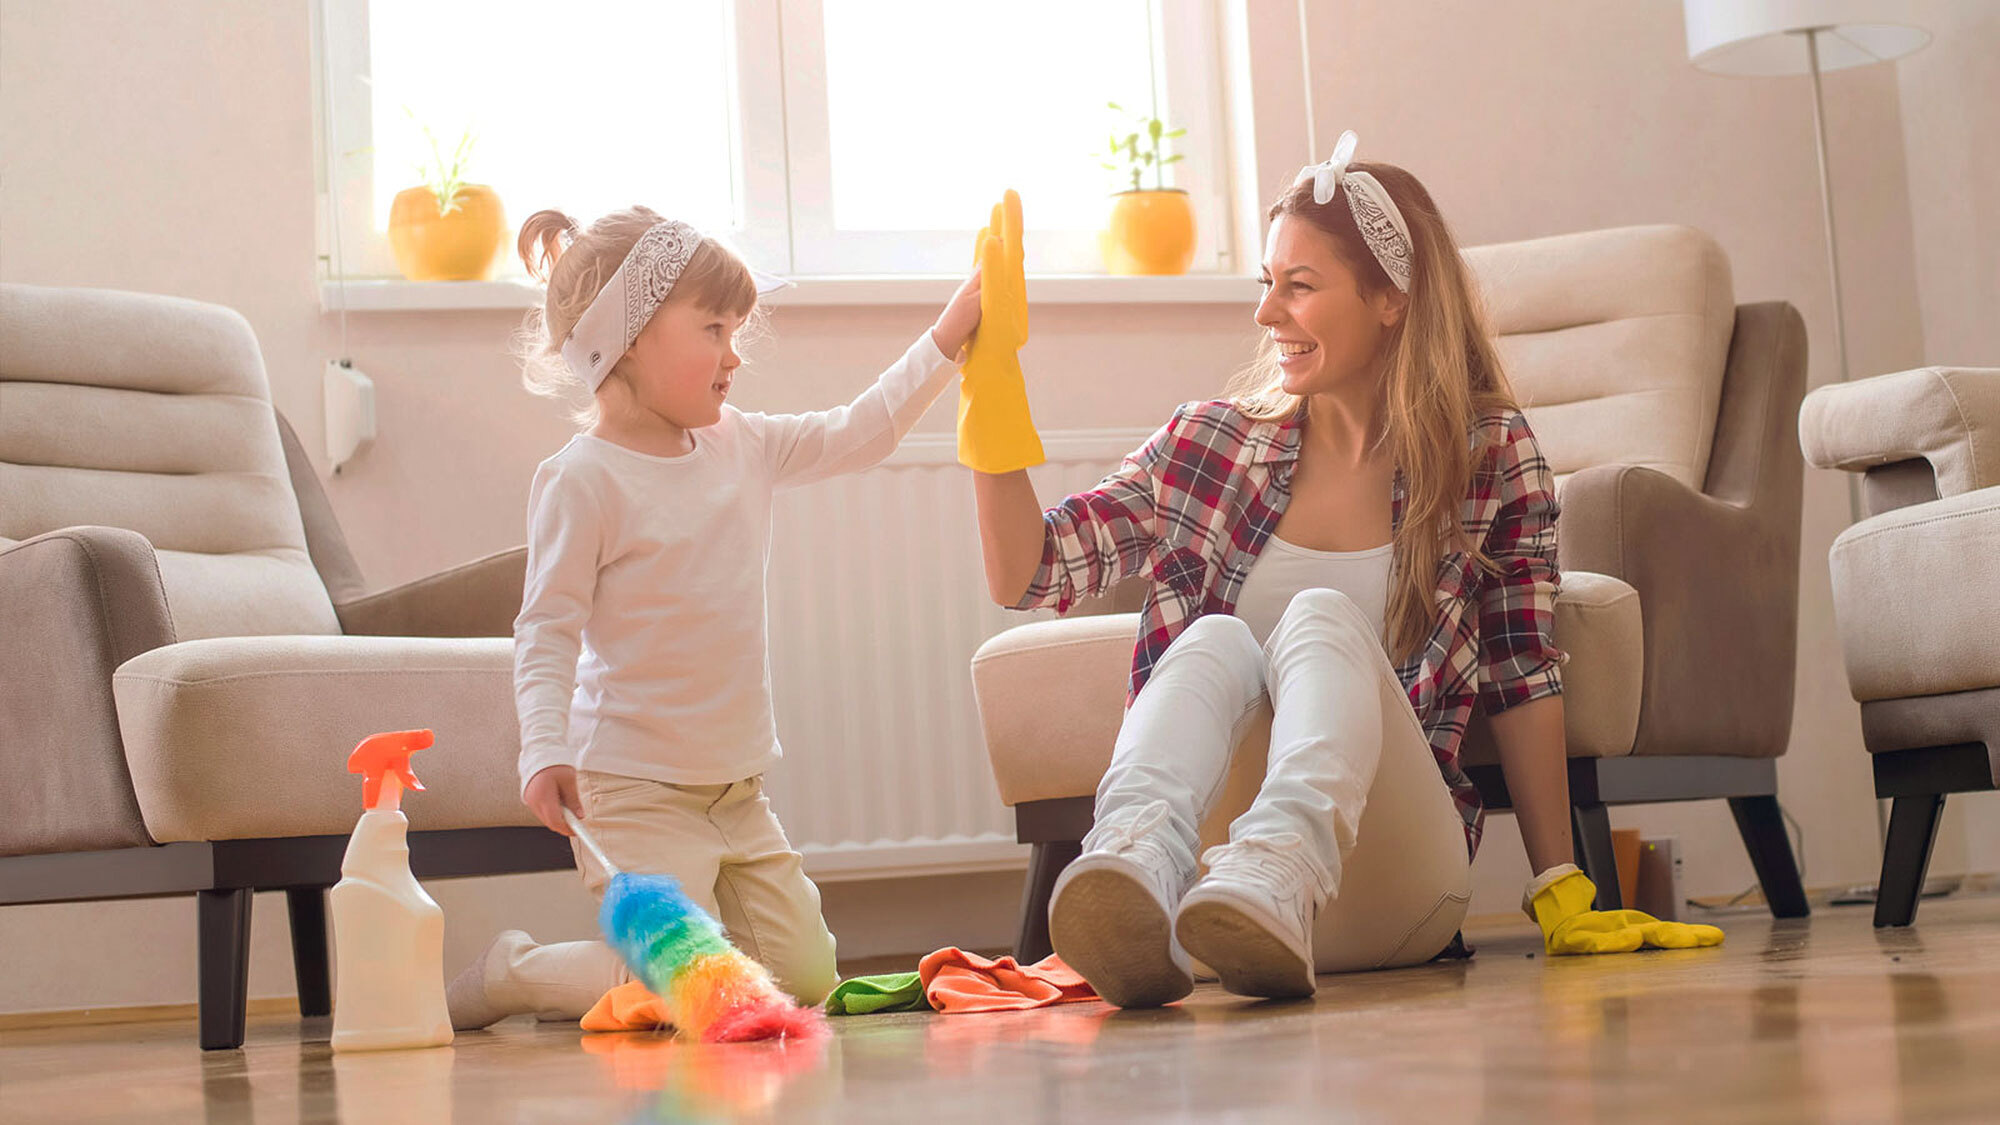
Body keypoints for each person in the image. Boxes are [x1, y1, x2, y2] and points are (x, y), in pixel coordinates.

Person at [966, 135, 1720, 1008]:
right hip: (1206, 907)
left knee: (1321, 618)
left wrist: (1560, 882)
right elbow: (1031, 573)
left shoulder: (1489, 454)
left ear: (1391, 299)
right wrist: (992, 397)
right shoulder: (1211, 446)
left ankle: (1282, 864)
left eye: (1300, 285)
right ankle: (1129, 859)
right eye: (1266, 283)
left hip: (1391, 885)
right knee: (1211, 640)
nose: (1266, 314)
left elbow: (1522, 670)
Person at [446, 205, 983, 1028]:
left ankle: (686, 956)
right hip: (630, 791)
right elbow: (546, 629)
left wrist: (949, 337)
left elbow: (860, 431)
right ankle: (512, 970)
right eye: (714, 329)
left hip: (736, 789)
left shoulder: (743, 445)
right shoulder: (582, 479)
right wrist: (544, 748)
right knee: (678, 986)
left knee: (804, 978)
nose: (735, 356)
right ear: (626, 339)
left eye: (736, 331)